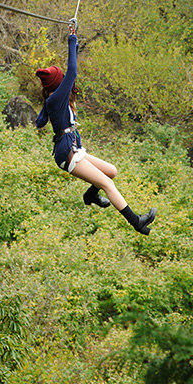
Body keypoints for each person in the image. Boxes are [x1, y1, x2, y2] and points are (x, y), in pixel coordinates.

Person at [35, 28, 157, 235]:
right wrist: (71, 39)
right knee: (108, 184)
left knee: (111, 171)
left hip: (72, 147)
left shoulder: (52, 100)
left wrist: (76, 46)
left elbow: (40, 122)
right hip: (68, 153)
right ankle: (136, 221)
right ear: (58, 84)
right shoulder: (55, 99)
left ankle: (90, 195)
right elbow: (72, 72)